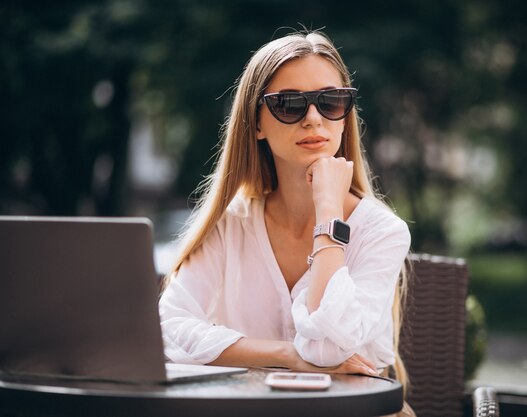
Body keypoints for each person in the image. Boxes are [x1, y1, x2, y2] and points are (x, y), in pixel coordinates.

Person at [159, 30, 413, 416]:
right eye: (290, 104)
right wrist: (287, 355)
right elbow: (166, 329)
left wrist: (329, 215)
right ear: (256, 124)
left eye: (331, 101)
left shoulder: (383, 232)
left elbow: (328, 348)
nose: (314, 118)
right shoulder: (232, 225)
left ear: (345, 118)